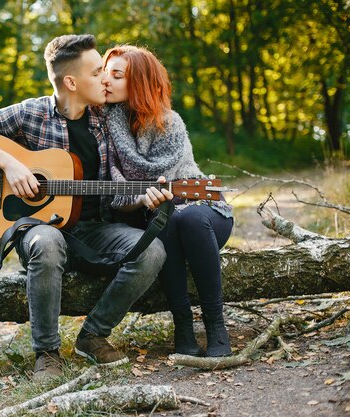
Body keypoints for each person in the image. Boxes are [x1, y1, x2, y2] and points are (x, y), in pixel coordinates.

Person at [0, 34, 173, 381]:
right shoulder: (31, 113)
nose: (105, 79)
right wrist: (9, 164)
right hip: (38, 227)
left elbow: (127, 174)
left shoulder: (109, 119)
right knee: (48, 242)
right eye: (97, 72)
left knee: (152, 250)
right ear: (71, 81)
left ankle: (93, 335)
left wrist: (143, 196)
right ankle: (47, 354)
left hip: (94, 228)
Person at [103, 45, 234, 357]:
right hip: (157, 220)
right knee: (163, 220)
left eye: (116, 75)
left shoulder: (169, 123)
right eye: (104, 73)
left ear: (140, 83)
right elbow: (111, 182)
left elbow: (166, 181)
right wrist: (137, 199)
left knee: (184, 217)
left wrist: (148, 194)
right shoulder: (104, 124)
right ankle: (183, 326)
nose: (106, 80)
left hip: (203, 214)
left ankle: (216, 325)